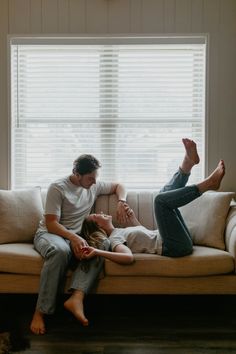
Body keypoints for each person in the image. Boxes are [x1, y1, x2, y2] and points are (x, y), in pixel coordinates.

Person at [73, 138, 225, 325]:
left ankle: (187, 164)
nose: (100, 212)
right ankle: (207, 185)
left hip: (173, 240)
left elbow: (146, 235)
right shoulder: (115, 240)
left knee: (162, 194)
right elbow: (128, 258)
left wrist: (133, 220)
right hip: (174, 247)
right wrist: (97, 251)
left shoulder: (121, 230)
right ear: (98, 227)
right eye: (96, 215)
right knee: (160, 201)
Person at [30, 154, 128, 335]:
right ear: (76, 173)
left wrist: (121, 201)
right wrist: (74, 238)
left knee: (102, 244)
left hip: (75, 235)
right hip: (51, 233)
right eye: (90, 178)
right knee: (60, 251)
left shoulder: (93, 183)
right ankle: (40, 312)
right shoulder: (58, 188)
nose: (94, 183)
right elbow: (51, 223)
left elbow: (118, 185)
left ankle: (76, 298)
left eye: (95, 178)